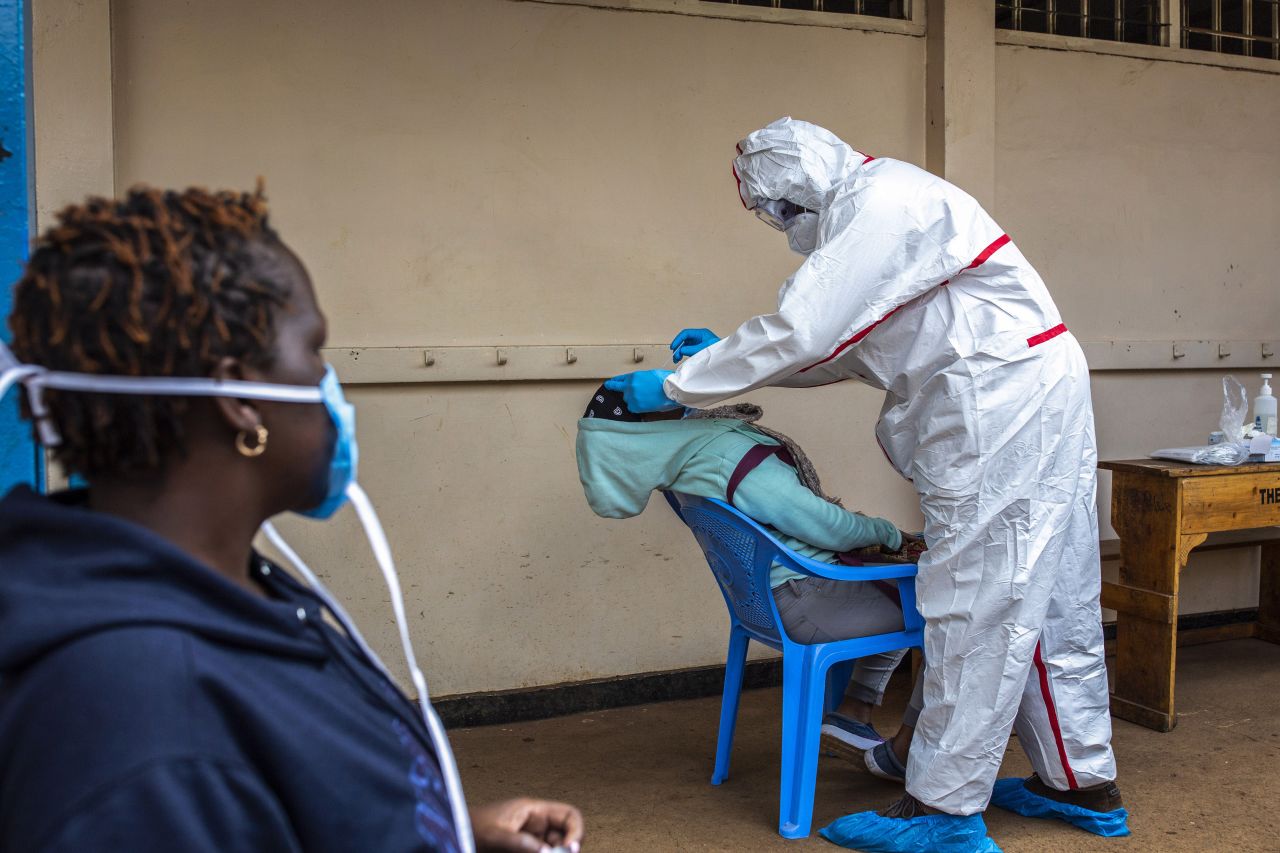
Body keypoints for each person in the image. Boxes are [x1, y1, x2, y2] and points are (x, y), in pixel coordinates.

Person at [0, 186, 584, 853]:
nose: (327, 385)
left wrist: (447, 834)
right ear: (239, 397)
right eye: (314, 351)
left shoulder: (226, 590)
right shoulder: (145, 727)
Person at [606, 118, 1127, 851]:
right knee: (1049, 590)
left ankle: (942, 809)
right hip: (1032, 387)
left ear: (807, 180)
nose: (784, 227)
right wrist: (722, 358)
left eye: (783, 210)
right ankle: (1081, 781)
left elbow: (805, 332)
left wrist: (677, 384)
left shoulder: (877, 202)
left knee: (975, 595)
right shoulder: (886, 210)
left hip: (998, 402)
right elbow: (838, 348)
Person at [576, 385, 916, 753]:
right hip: (806, 600)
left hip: (760, 605)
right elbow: (820, 523)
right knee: (939, 613)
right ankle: (914, 753)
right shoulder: (723, 453)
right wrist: (889, 534)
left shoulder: (683, 466)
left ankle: (852, 715)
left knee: (902, 591)